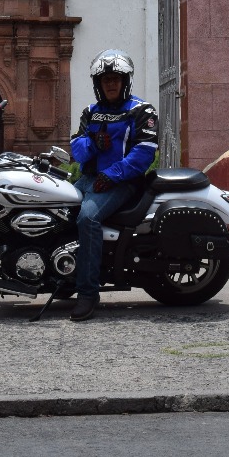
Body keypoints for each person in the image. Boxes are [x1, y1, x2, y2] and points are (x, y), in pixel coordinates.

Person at [68, 48, 159, 321]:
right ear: (98, 84)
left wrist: (114, 174)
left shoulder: (141, 110)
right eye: (105, 80)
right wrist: (93, 144)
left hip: (123, 183)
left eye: (116, 79)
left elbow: (144, 152)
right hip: (89, 178)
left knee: (87, 218)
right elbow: (76, 149)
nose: (110, 84)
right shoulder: (90, 112)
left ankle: (87, 293)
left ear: (125, 82)